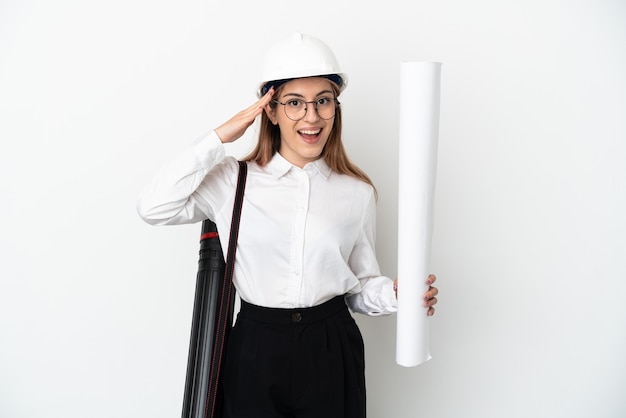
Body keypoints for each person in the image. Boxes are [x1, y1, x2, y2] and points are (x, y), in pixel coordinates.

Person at [137, 32, 438, 418]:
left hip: (332, 348)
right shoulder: (232, 180)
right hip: (254, 349)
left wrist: (400, 295)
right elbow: (152, 206)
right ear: (271, 110)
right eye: (294, 103)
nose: (311, 117)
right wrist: (220, 135)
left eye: (323, 102)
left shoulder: (356, 192)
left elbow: (358, 287)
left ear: (335, 108)